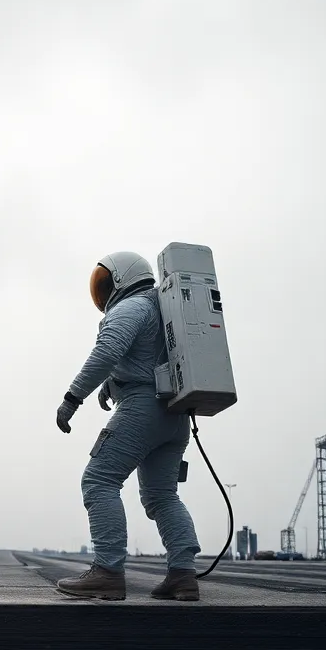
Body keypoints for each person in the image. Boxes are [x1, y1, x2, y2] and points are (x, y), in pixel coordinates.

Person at [54, 251, 202, 601]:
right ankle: (183, 575)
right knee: (163, 495)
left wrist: (73, 397)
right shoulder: (161, 308)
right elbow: (147, 356)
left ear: (123, 279)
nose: (103, 293)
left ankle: (107, 572)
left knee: (98, 480)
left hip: (143, 409)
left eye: (106, 283)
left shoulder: (131, 306)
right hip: (176, 413)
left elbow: (107, 351)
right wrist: (113, 384)